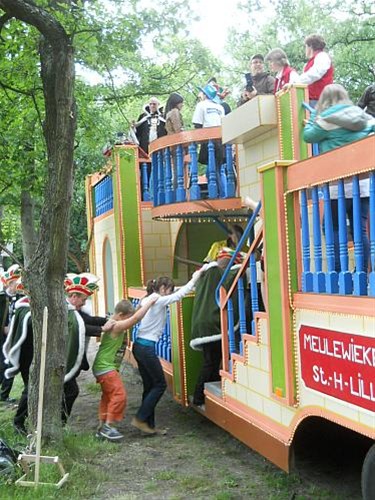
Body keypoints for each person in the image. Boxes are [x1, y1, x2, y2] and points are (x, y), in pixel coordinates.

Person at [129, 264, 213, 434]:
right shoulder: (158, 300)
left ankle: (148, 426)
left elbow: (177, 292)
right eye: (169, 289)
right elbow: (180, 295)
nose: (170, 292)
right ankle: (140, 418)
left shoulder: (147, 298)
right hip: (147, 348)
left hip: (139, 346)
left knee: (149, 386)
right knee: (160, 385)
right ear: (163, 288)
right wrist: (197, 276)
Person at [303, 84, 375, 271]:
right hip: (363, 183)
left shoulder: (325, 119)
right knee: (359, 230)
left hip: (337, 184)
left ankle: (337, 271)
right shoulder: (362, 116)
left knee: (331, 227)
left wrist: (313, 117)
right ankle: (362, 272)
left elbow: (308, 136)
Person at [92, 297, 158, 441]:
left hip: (102, 367)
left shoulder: (113, 322)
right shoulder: (116, 325)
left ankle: (102, 426)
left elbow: (134, 316)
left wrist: (144, 302)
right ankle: (109, 426)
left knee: (108, 396)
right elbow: (135, 319)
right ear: (121, 315)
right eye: (127, 317)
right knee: (119, 395)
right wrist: (149, 303)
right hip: (105, 367)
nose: (130, 321)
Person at [190, 249, 244, 407]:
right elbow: (233, 276)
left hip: (202, 325)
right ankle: (199, 397)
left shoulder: (203, 275)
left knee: (211, 362)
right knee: (211, 363)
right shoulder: (220, 274)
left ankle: (205, 396)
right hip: (213, 326)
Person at [63, 272, 108, 422]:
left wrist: (107, 320)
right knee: (71, 391)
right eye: (83, 300)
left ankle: (60, 421)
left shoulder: (75, 310)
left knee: (69, 391)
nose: (84, 303)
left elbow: (88, 320)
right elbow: (81, 328)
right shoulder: (66, 311)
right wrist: (102, 329)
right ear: (74, 297)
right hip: (64, 357)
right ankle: (60, 422)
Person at [2, 279, 33, 435]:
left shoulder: (24, 306)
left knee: (31, 389)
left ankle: (23, 420)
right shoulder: (25, 308)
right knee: (30, 389)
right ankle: (18, 422)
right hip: (27, 357)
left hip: (29, 356)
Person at [0, 264, 22, 403]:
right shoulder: (1, 299)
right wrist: (3, 328)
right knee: (2, 365)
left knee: (12, 363)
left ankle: (4, 394)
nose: (18, 285)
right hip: (2, 337)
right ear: (9, 283)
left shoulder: (21, 297)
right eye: (16, 283)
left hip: (16, 337)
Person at [297, 34, 334, 106]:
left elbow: (315, 73)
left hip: (320, 101)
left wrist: (295, 82)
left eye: (305, 47)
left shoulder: (322, 56)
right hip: (312, 100)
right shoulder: (312, 61)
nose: (305, 50)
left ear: (310, 46)